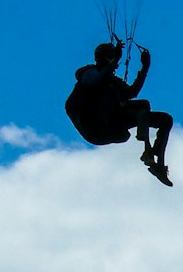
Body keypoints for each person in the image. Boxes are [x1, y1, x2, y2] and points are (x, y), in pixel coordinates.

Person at [65, 40, 173, 185]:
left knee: (162, 118)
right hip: (93, 123)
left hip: (110, 123)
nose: (114, 63)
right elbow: (97, 81)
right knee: (139, 105)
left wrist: (145, 68)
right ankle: (147, 148)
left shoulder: (112, 81)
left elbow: (132, 92)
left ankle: (157, 162)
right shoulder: (88, 73)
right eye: (110, 57)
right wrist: (115, 60)